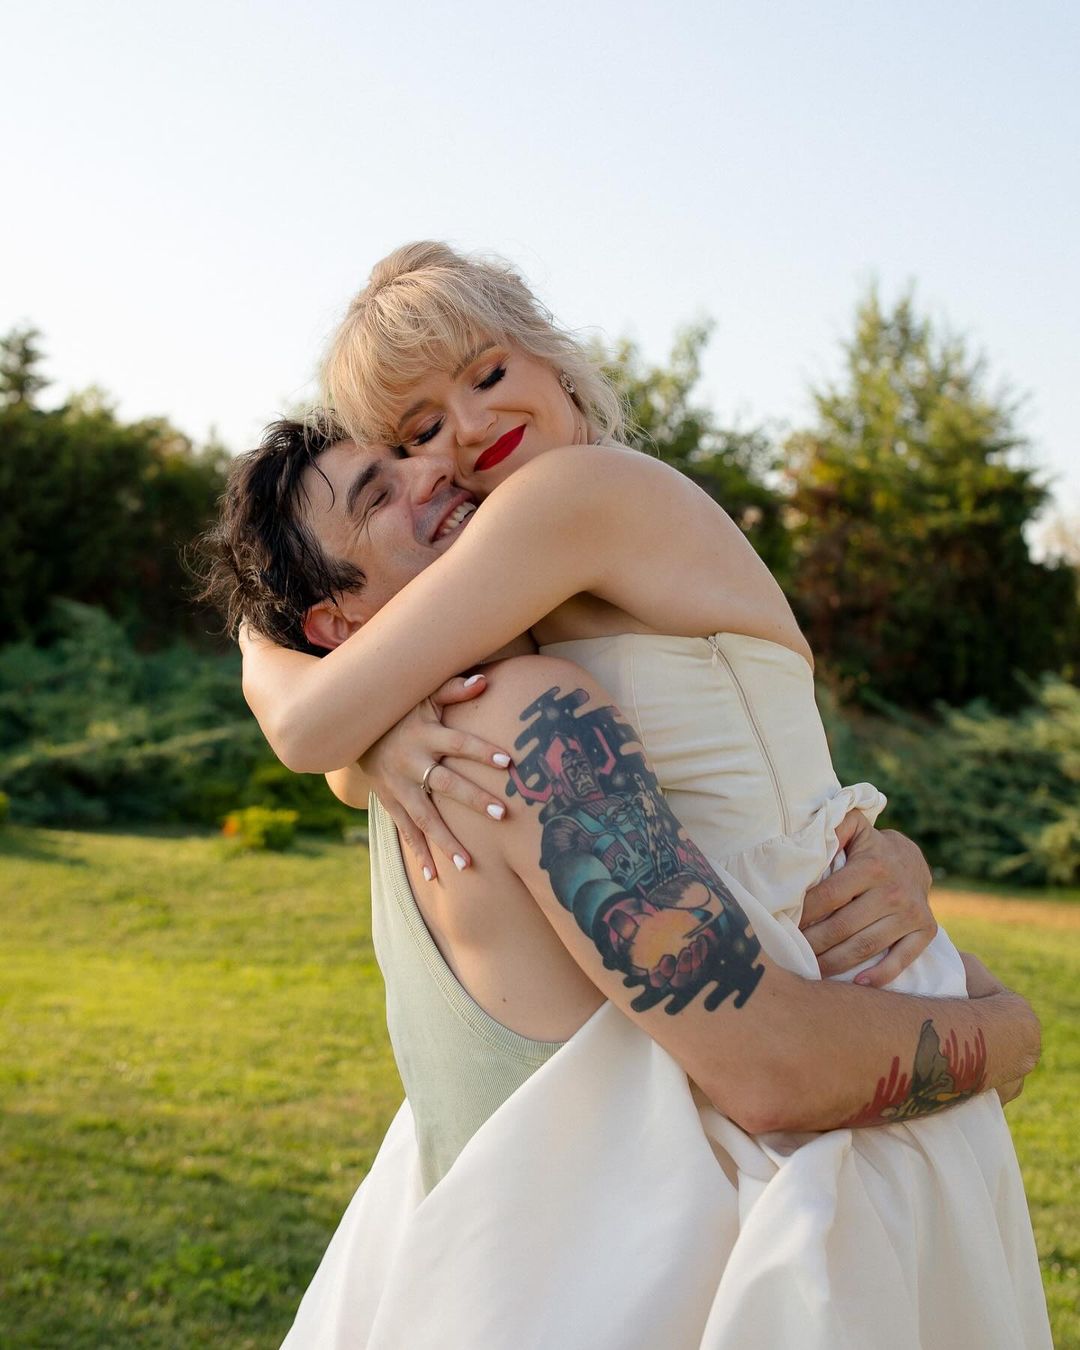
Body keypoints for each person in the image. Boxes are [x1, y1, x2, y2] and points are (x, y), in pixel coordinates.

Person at [202, 415, 1050, 1348]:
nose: (432, 473)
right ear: (336, 625)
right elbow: (774, 1067)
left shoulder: (389, 749)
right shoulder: (525, 721)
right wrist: (1010, 1031)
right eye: (378, 495)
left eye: (406, 456)